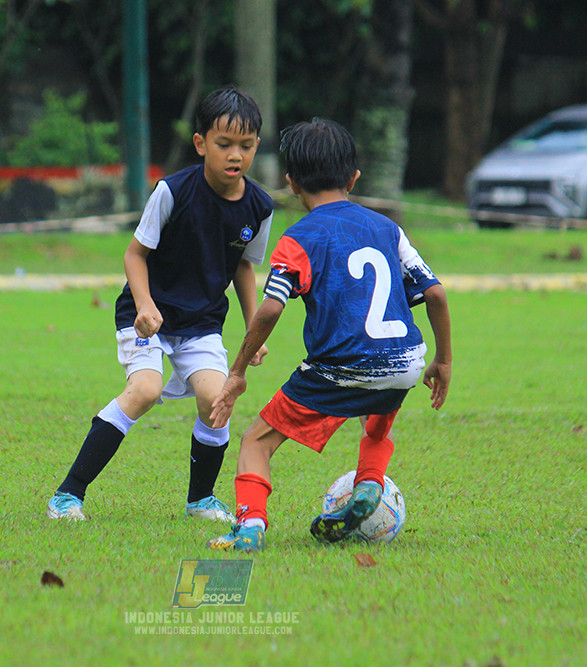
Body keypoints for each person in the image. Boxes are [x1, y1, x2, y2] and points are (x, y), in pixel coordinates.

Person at [207, 118, 452, 552]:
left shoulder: (298, 238)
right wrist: (443, 361)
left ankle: (249, 527)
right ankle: (369, 483)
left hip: (341, 365)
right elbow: (434, 293)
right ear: (354, 178)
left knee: (255, 441)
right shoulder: (387, 228)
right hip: (405, 360)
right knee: (376, 418)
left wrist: (238, 370)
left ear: (291, 182)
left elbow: (269, 308)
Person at [47, 86, 274, 522]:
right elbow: (135, 254)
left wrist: (252, 327)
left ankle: (201, 499)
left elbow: (244, 268)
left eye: (245, 146)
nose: (235, 155)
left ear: (256, 147)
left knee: (216, 399)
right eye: (224, 144)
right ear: (200, 143)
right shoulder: (172, 191)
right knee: (145, 390)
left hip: (202, 321)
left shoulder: (259, 206)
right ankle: (68, 494)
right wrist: (146, 306)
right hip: (146, 314)